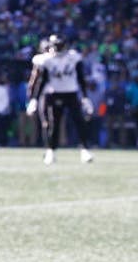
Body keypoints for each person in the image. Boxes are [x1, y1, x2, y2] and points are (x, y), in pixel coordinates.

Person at [26, 35, 94, 165]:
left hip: (71, 93)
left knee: (79, 121)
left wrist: (85, 97)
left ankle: (85, 150)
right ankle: (51, 151)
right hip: (54, 93)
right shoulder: (46, 60)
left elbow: (81, 78)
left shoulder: (73, 58)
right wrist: (34, 99)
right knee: (53, 124)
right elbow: (42, 80)